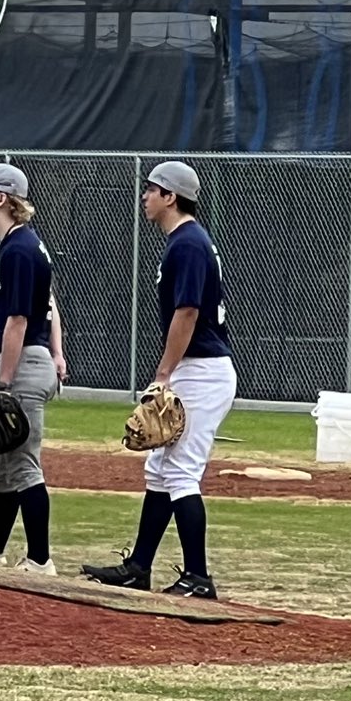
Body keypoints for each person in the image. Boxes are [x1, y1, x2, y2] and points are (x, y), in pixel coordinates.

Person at [84, 160, 235, 599]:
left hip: (202, 371)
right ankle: (139, 567)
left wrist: (163, 374)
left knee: (183, 472)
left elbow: (186, 312)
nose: (144, 197)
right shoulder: (184, 241)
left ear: (171, 196)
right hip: (197, 367)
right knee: (160, 470)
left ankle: (199, 578)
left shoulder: (186, 243)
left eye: (151, 190)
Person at [0, 163, 68, 574]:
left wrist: (4, 382)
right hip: (32, 358)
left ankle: (41, 559)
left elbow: (19, 321)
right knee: (4, 468)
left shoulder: (19, 248)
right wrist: (58, 352)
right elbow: (51, 304)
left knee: (23, 463)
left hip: (23, 363)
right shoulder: (21, 244)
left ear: (3, 199)